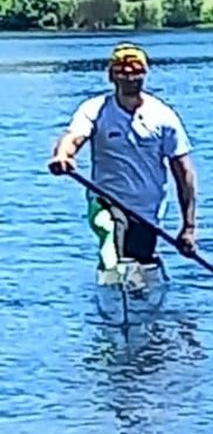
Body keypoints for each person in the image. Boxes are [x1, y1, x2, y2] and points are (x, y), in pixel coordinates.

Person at [48, 43, 199, 269]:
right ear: (111, 76)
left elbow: (184, 173)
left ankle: (139, 291)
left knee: (140, 264)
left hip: (147, 211)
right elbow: (73, 137)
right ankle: (112, 276)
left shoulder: (164, 116)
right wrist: (63, 156)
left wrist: (188, 228)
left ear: (145, 74)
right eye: (121, 71)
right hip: (105, 201)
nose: (129, 77)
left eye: (136, 71)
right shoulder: (94, 109)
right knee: (111, 233)